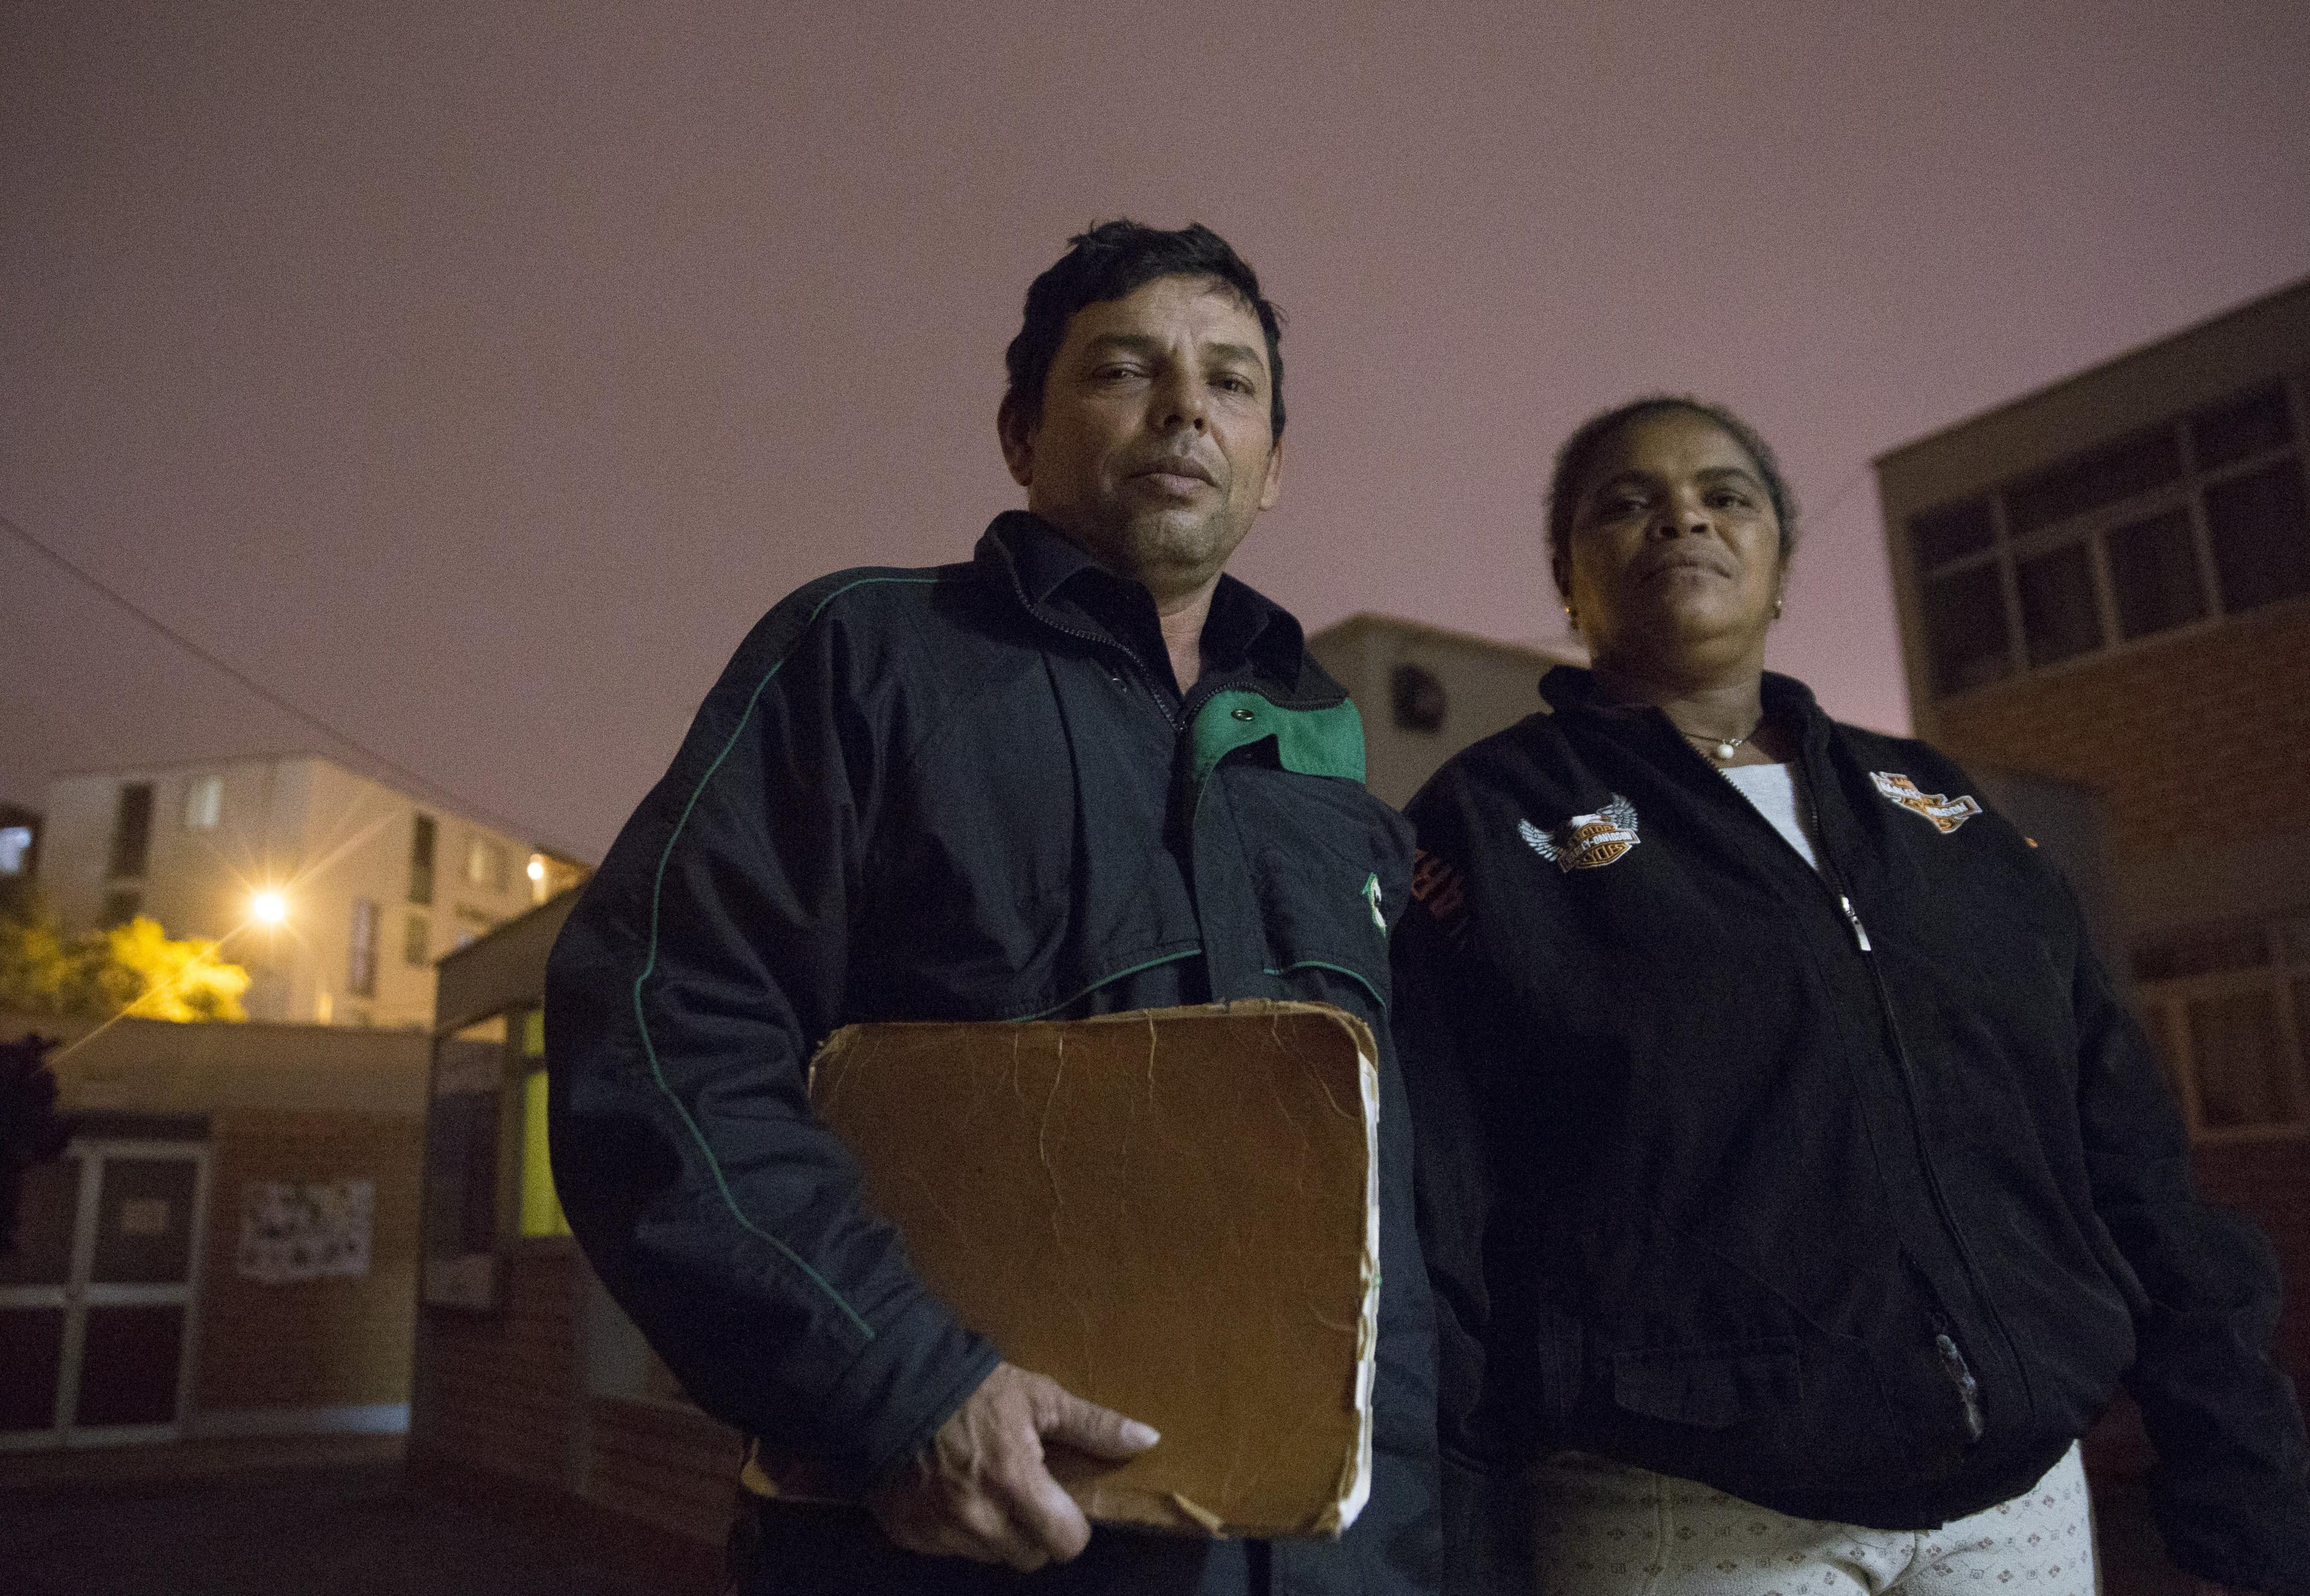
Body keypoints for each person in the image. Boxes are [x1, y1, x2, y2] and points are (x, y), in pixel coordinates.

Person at [544, 220, 1439, 1595]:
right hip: (959, 1545)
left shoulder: (1336, 789)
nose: (1186, 406)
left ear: (1275, 468)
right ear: (1021, 434)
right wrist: (899, 1384)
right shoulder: (869, 658)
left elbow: (1419, 1223)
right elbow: (660, 1032)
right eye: (1124, 369)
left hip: (1330, 1567)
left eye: (1232, 381)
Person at [1391, 395, 2310, 1595]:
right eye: (1624, 502)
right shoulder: (1486, 824)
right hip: (1687, 1507)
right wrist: (1458, 1540)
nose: (1680, 517)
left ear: (1779, 562)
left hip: (2018, 1503)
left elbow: (2123, 1146)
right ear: (1569, 580)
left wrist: (2237, 1469)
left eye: (1725, 495)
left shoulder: (1942, 811)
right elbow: (1444, 1218)